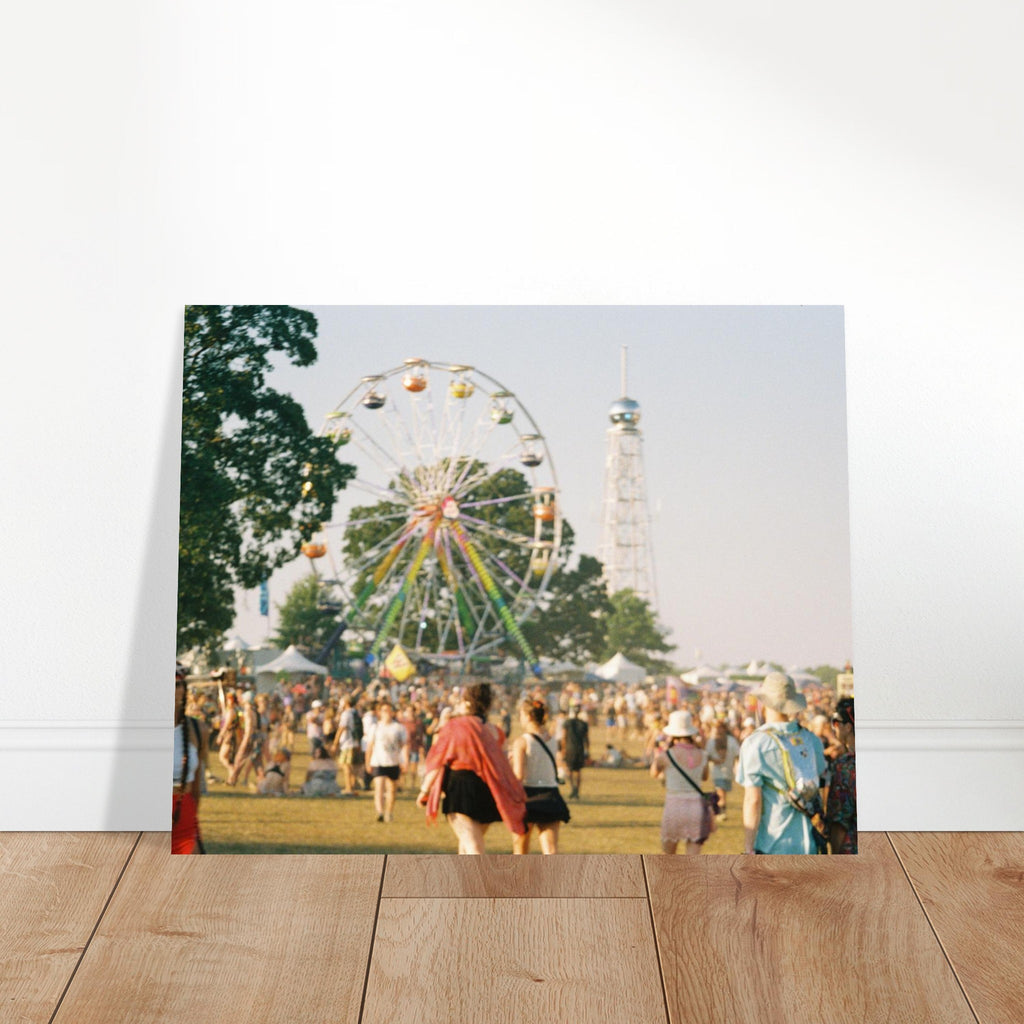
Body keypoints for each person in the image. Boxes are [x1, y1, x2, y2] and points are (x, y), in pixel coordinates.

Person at [417, 682, 527, 853]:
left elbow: (438, 759)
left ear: (468, 703)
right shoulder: (496, 731)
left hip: (461, 788)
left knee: (473, 845)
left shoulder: (456, 727)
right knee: (467, 844)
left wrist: (425, 790)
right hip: (489, 789)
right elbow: (503, 763)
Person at [735, 672, 827, 855]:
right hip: (809, 843)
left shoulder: (756, 743)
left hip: (772, 842)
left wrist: (748, 847)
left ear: (764, 703)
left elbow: (753, 800)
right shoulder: (811, 739)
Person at [510, 698, 570, 854]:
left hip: (528, 795)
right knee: (550, 849)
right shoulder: (551, 740)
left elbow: (519, 776)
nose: (520, 718)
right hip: (550, 794)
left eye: (521, 715)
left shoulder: (522, 741)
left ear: (529, 716)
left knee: (520, 848)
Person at [650, 710, 712, 855]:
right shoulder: (702, 754)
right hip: (696, 806)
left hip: (674, 805)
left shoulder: (666, 755)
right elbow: (705, 777)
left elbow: (654, 773)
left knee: (669, 856)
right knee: (693, 858)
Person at [173, 665, 206, 854]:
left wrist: (192, 817)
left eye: (177, 685)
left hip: (183, 813)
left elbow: (196, 784)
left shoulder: (197, 730)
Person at [365, 700, 409, 822]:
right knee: (379, 786)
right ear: (380, 713)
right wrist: (367, 762)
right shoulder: (375, 727)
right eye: (384, 711)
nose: (387, 713)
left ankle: (389, 812)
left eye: (389, 711)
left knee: (392, 789)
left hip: (393, 761)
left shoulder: (398, 728)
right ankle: (379, 812)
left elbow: (404, 746)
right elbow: (370, 746)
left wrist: (405, 761)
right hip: (378, 761)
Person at [825, 697, 857, 854]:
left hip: (852, 850)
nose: (834, 727)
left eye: (836, 722)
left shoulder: (844, 766)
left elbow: (839, 822)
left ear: (848, 727)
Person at [707, 719, 740, 820]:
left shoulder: (731, 740)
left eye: (719, 727)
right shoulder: (711, 741)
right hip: (717, 771)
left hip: (728, 771)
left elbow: (737, 755)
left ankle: (719, 811)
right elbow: (707, 755)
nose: (717, 730)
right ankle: (720, 811)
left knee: (722, 792)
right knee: (720, 791)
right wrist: (714, 760)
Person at [558, 702, 589, 799]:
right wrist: (587, 750)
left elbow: (564, 737)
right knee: (578, 770)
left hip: (569, 748)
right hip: (580, 748)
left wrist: (563, 749)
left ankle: (573, 788)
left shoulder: (567, 723)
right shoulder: (583, 724)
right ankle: (577, 790)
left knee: (570, 770)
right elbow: (587, 739)